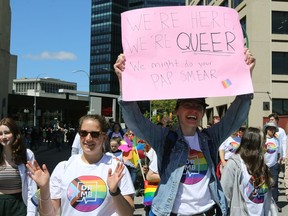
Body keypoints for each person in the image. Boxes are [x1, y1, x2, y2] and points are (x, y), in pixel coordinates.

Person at [114, 48, 256, 215]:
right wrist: (124, 82)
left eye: (198, 107)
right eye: (187, 105)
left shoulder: (210, 138)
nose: (193, 110)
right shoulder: (164, 138)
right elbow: (135, 122)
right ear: (177, 111)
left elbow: (235, 118)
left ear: (203, 113)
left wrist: (246, 76)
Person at [26, 114, 135, 216]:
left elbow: (128, 213)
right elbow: (50, 214)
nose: (88, 138)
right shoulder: (63, 168)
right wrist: (44, 188)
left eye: (94, 134)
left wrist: (115, 191)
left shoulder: (117, 168)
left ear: (104, 138)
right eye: (83, 133)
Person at [220, 127, 277, 215]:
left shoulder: (262, 165)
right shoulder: (234, 164)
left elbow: (267, 199)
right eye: (263, 142)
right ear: (254, 144)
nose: (265, 144)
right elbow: (224, 196)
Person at [0, 117, 38, 216]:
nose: (3, 136)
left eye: (7, 132)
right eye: (0, 134)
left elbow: (31, 187)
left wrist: (31, 212)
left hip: (19, 205)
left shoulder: (26, 155)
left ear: (14, 134)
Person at [263, 122, 281, 212]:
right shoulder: (263, 139)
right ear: (266, 129)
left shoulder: (276, 140)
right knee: (263, 185)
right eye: (270, 128)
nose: (272, 130)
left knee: (274, 185)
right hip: (264, 165)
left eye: (273, 129)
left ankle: (275, 204)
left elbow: (278, 153)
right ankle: (263, 203)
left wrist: (277, 162)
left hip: (274, 165)